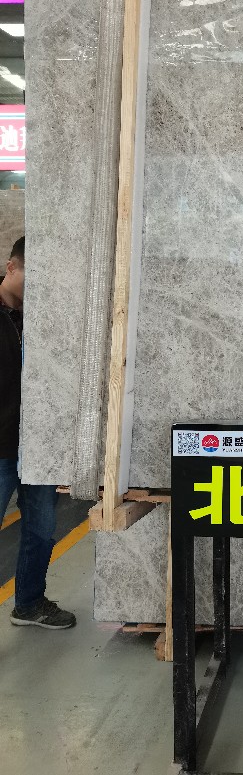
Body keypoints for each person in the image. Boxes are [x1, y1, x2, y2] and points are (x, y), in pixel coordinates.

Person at [0, 236, 75, 629]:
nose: (37, 290)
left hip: (38, 445)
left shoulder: (44, 317)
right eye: (32, 278)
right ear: (11, 267)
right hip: (1, 447)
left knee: (42, 530)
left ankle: (28, 603)